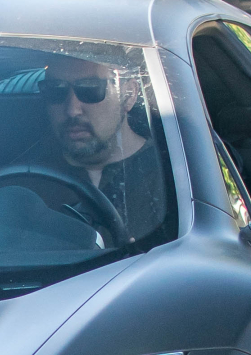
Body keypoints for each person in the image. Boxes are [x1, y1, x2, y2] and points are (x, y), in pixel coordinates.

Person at [40, 59, 166, 242]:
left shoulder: (173, 179)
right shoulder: (25, 186)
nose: (72, 110)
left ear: (129, 95)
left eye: (90, 90)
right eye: (55, 90)